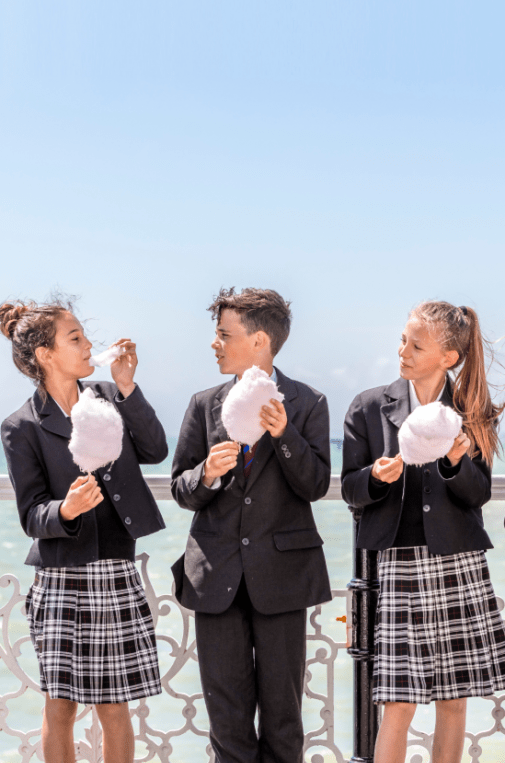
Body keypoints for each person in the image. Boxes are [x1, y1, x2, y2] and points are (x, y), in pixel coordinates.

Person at [0, 298, 168, 763]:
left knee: (114, 707)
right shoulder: (20, 426)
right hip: (60, 577)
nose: (89, 344)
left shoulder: (109, 397)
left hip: (115, 568)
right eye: (75, 338)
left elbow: (155, 450)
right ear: (45, 355)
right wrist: (66, 509)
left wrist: (128, 388)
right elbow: (32, 514)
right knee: (61, 706)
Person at [171, 287, 332, 763]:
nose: (215, 343)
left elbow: (316, 484)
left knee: (284, 720)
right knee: (226, 721)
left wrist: (285, 436)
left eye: (224, 334)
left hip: (282, 578)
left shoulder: (308, 402)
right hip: (215, 575)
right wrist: (207, 475)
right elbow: (182, 488)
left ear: (260, 339)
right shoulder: (204, 403)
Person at [341, 301, 505, 763]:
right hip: (399, 563)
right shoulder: (370, 406)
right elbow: (352, 488)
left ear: (448, 357)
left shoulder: (473, 409)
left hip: (459, 560)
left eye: (416, 344)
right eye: (402, 340)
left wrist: (456, 463)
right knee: (399, 701)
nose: (403, 351)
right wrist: (375, 477)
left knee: (454, 700)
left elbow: (479, 494)